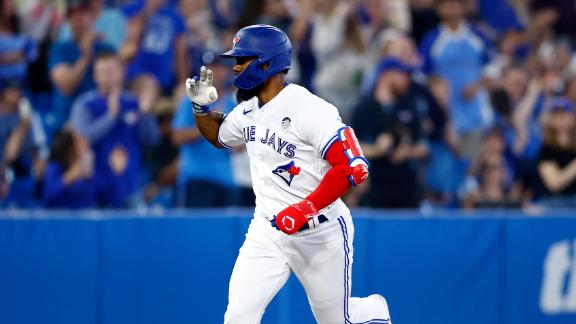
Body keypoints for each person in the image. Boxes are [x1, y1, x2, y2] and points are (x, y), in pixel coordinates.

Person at [185, 25, 391, 323]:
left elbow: (354, 167)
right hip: (267, 231)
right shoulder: (248, 110)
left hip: (320, 232)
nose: (236, 67)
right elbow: (219, 136)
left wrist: (305, 208)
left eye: (242, 60)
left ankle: (373, 310)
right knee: (238, 318)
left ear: (267, 63)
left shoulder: (310, 109)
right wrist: (201, 109)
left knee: (337, 321)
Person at [70, 52, 159, 208]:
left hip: (129, 187)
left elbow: (151, 139)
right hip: (95, 188)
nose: (107, 78)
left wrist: (146, 114)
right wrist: (111, 116)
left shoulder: (133, 102)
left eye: (111, 72)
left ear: (121, 73)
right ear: (95, 76)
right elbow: (84, 138)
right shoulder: (85, 104)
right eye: (102, 72)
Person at [352, 58, 429, 208]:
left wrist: (408, 152)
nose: (407, 80)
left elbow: (425, 147)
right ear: (387, 75)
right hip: (376, 185)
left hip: (406, 186)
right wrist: (376, 149)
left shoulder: (409, 105)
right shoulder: (364, 108)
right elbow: (351, 149)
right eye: (402, 75)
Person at [48, 0, 115, 134]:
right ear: (68, 21)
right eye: (74, 17)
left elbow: (116, 84)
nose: (78, 22)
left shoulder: (106, 49)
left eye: (83, 16)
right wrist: (85, 55)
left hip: (101, 119)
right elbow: (66, 86)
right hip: (67, 124)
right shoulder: (60, 49)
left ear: (91, 17)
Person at [536, 98, 576, 207]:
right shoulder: (547, 149)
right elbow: (554, 183)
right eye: (556, 115)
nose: (561, 119)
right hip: (554, 203)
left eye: (564, 114)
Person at [42, 129, 95, 208]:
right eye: (79, 143)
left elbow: (108, 198)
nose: (86, 144)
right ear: (70, 149)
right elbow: (49, 197)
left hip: (82, 217)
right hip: (59, 217)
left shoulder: (88, 172)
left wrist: (116, 173)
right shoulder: (54, 168)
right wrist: (70, 176)